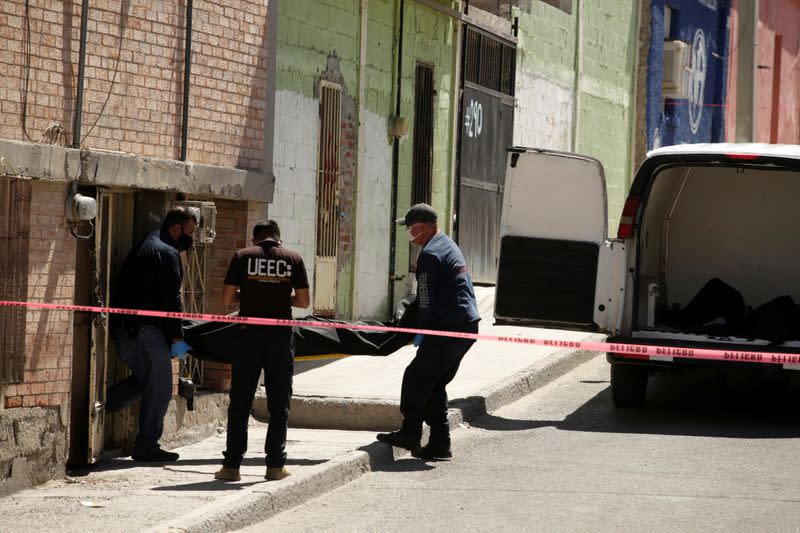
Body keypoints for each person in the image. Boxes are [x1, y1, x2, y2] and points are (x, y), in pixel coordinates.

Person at [377, 203, 481, 460]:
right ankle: (439, 443)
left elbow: (424, 298)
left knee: (415, 377)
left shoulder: (430, 254)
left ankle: (410, 432)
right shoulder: (447, 244)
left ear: (422, 227)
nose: (409, 234)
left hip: (449, 328)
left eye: (410, 228)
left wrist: (417, 330)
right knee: (434, 382)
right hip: (466, 326)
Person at [214, 219, 310, 482]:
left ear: (255, 239)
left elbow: (226, 298)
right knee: (279, 402)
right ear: (279, 239)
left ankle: (231, 467)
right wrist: (279, 297)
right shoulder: (293, 258)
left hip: (248, 336)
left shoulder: (242, 256)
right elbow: (303, 301)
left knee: (241, 401)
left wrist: (251, 296)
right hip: (280, 337)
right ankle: (276, 466)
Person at [106, 206, 198, 462]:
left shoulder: (150, 243)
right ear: (176, 229)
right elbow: (172, 301)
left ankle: (104, 404)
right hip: (144, 331)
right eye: (189, 233)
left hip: (130, 328)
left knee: (148, 381)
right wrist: (178, 339)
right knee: (161, 388)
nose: (190, 239)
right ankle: (146, 445)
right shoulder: (166, 252)